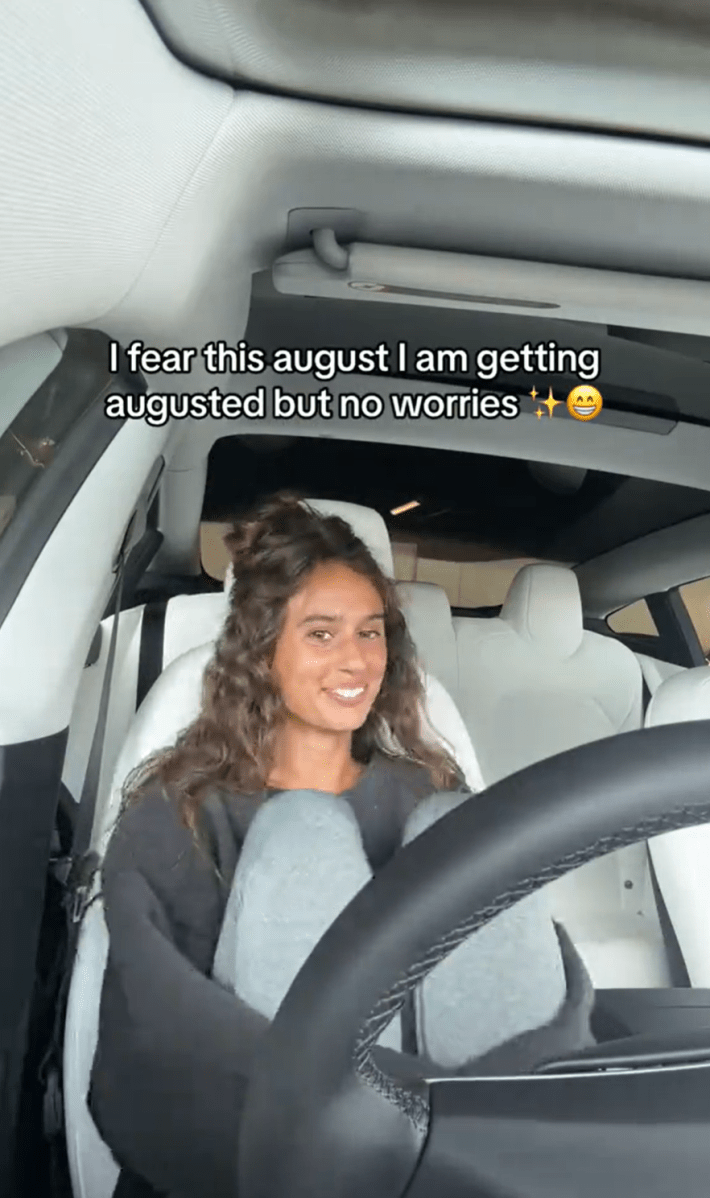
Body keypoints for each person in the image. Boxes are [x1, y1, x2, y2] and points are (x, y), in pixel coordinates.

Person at [89, 492, 595, 1198]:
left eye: (370, 632)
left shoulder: (427, 789)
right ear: (262, 650)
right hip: (273, 1134)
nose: (355, 660)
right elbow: (156, 1019)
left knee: (461, 827)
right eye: (321, 634)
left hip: (470, 1144)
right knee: (304, 835)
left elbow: (524, 966)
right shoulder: (181, 811)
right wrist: (376, 1114)